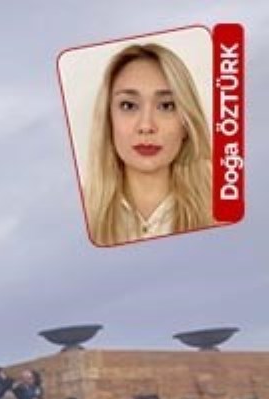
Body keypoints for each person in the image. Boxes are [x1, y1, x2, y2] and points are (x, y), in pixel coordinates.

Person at [83, 42, 214, 246]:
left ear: (186, 124)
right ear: (108, 120)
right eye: (128, 105)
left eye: (166, 105)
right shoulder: (74, 216)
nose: (146, 126)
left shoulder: (224, 211)